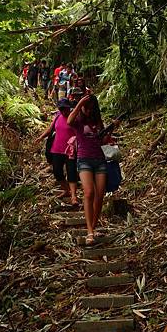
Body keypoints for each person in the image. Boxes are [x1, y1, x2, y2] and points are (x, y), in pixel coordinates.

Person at [67, 94, 118, 245]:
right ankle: (89, 231)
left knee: (100, 195)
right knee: (89, 192)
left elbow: (102, 141)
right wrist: (80, 103)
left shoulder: (97, 122)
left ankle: (93, 227)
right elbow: (69, 120)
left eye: (90, 108)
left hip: (100, 160)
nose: (88, 110)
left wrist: (112, 129)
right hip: (84, 160)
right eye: (85, 107)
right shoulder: (78, 120)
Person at [34, 98, 78, 205]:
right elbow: (50, 130)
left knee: (71, 172)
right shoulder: (58, 117)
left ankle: (73, 196)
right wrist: (40, 137)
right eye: (61, 108)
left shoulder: (74, 119)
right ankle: (66, 190)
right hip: (56, 149)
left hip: (70, 150)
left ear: (69, 108)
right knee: (57, 171)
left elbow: (79, 133)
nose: (64, 111)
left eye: (65, 108)